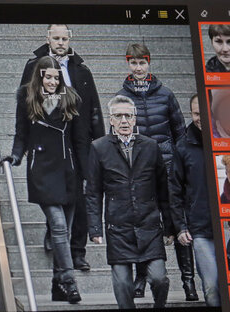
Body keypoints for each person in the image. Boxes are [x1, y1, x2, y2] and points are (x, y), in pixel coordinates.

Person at [3, 55, 91, 303]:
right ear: (39, 76)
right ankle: (70, 282)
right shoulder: (26, 97)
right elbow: (21, 133)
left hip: (68, 170)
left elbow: (80, 139)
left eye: (56, 77)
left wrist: (87, 173)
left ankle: (57, 286)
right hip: (41, 171)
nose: (53, 81)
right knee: (59, 227)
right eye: (48, 77)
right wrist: (15, 157)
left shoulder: (71, 97)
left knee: (65, 228)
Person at [19, 24, 104, 270]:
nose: (60, 42)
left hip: (80, 141)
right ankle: (55, 234)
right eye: (55, 38)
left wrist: (100, 143)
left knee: (79, 193)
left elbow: (95, 109)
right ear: (47, 38)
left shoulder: (81, 70)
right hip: (50, 141)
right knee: (55, 191)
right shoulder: (33, 67)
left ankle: (78, 251)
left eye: (64, 38)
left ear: (70, 40)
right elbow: (25, 104)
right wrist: (24, 142)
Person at [116, 43, 197, 301]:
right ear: (128, 64)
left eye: (142, 62)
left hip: (169, 169)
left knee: (177, 222)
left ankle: (188, 283)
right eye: (133, 62)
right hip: (139, 172)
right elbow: (116, 135)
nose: (138, 68)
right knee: (143, 224)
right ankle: (140, 279)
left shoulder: (166, 94)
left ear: (149, 63)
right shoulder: (122, 97)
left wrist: (179, 165)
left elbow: (180, 133)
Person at [86, 95, 172, 309]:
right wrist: (95, 228)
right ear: (111, 120)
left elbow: (164, 190)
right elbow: (93, 191)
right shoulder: (99, 148)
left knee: (159, 279)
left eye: (128, 116)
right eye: (118, 116)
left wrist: (170, 226)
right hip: (119, 228)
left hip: (149, 226)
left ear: (135, 119)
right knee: (123, 284)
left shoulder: (151, 146)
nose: (124, 121)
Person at [169, 94, 221, 307]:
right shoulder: (183, 147)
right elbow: (174, 190)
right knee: (211, 288)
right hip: (201, 230)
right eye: (196, 113)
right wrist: (180, 227)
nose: (200, 118)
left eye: (205, 112)